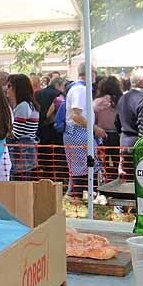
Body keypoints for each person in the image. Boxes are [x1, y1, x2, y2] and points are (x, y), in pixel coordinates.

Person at [61, 65, 104, 200]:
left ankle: (77, 198)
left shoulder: (78, 89)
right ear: (90, 73)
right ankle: (75, 199)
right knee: (83, 169)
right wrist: (95, 128)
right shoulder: (80, 90)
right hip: (79, 133)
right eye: (95, 73)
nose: (95, 77)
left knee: (82, 169)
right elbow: (76, 115)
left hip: (78, 133)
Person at [6, 73, 40, 181]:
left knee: (19, 184)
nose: (7, 88)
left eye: (10, 86)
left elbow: (16, 134)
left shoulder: (22, 106)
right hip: (27, 151)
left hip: (20, 154)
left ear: (17, 88)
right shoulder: (30, 104)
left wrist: (3, 132)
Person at [93, 75, 123, 178]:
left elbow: (94, 118)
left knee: (102, 163)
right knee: (117, 162)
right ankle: (116, 181)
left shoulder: (97, 101)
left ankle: (104, 182)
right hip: (117, 134)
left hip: (101, 134)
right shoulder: (121, 100)